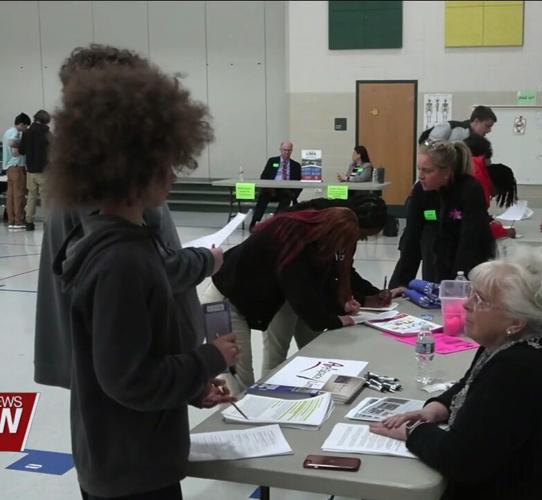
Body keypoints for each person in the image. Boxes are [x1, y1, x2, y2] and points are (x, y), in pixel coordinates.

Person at [48, 53, 238, 500]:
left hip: (122, 457)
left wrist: (190, 386)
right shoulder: (123, 261)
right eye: (164, 164)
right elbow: (129, 380)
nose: (173, 175)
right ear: (131, 171)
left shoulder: (111, 242)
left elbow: (129, 358)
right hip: (133, 472)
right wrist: (209, 358)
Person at [34, 44, 222, 396]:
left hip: (141, 371)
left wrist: (188, 382)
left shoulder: (92, 173)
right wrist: (206, 261)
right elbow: (144, 276)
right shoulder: (114, 186)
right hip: (134, 374)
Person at [371, 246, 542, 500]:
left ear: (516, 321)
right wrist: (437, 408)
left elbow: (460, 460)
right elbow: (470, 384)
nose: (467, 304)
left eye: (480, 300)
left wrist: (413, 431)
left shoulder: (519, 368)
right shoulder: (513, 344)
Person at [204, 207, 363, 391]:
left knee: (242, 380)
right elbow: (302, 297)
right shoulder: (293, 241)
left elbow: (318, 284)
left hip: (240, 298)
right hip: (222, 302)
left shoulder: (310, 239)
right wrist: (336, 320)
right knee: (238, 381)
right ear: (331, 235)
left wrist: (340, 304)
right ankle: (235, 418)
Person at [391, 140, 496, 287]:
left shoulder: (470, 190)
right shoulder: (420, 191)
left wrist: (455, 285)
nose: (421, 176)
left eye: (427, 171)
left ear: (446, 172)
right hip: (435, 253)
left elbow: (470, 241)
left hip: (469, 259)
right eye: (419, 169)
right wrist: (398, 286)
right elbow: (411, 239)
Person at [248, 141, 302, 230]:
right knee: (263, 196)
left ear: (292, 151)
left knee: (287, 198)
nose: (286, 152)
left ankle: (274, 221)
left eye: (289, 150)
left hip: (286, 191)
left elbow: (299, 182)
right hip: (271, 189)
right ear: (280, 150)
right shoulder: (272, 161)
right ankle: (254, 221)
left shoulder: (296, 165)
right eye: (284, 150)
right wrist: (268, 187)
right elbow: (264, 176)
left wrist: (294, 195)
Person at [20, 109, 51, 231]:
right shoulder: (47, 134)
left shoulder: (26, 133)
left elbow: (22, 151)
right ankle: (47, 222)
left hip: (30, 170)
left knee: (31, 196)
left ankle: (29, 221)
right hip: (44, 170)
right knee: (45, 197)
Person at [3, 113, 30, 230]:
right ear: (22, 124)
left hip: (8, 167)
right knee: (19, 194)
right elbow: (14, 149)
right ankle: (19, 220)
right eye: (26, 127)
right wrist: (24, 145)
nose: (26, 129)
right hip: (17, 165)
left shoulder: (7, 132)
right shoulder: (16, 133)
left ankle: (11, 220)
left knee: (10, 195)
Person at [418, 105, 497, 144]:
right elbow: (426, 146)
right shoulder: (449, 127)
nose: (489, 130)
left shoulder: (479, 142)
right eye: (487, 126)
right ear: (476, 121)